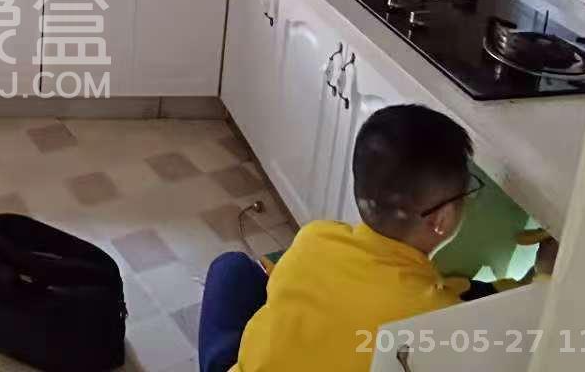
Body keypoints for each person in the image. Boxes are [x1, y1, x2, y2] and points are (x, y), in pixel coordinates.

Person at [197, 104, 549, 372]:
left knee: (231, 269)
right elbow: (515, 334)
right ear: (441, 220)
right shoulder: (433, 318)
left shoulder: (315, 238)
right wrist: (545, 278)